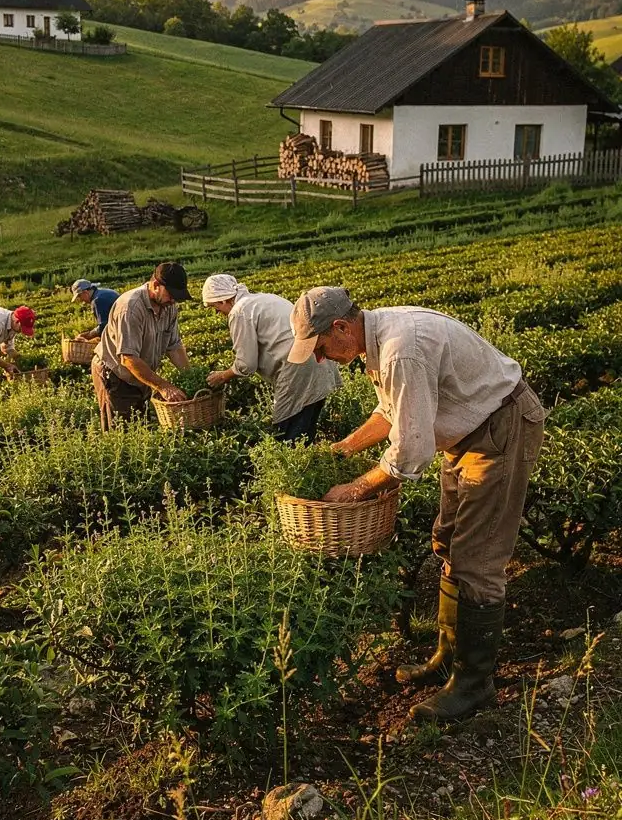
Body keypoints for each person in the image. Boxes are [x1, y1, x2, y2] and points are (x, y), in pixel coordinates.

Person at [288, 287, 546, 724]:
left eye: (321, 347)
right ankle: (448, 657)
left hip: (499, 430)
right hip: (467, 433)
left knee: (477, 558)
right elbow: (390, 412)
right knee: (447, 541)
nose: (319, 358)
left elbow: (411, 450)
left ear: (341, 327)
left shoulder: (400, 350)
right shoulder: (377, 338)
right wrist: (344, 448)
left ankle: (474, 683)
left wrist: (356, 488)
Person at [201, 273, 339, 442]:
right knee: (306, 429)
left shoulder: (239, 312)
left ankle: (297, 459)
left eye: (216, 307)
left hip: (297, 368)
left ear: (223, 300)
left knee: (287, 434)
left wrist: (223, 376)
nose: (218, 313)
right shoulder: (264, 299)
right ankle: (311, 457)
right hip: (318, 359)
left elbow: (246, 364)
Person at [92, 262, 192, 430]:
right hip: (116, 373)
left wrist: (189, 375)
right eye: (171, 294)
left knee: (141, 424)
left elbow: (174, 346)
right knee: (121, 430)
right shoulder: (130, 308)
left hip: (140, 372)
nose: (173, 300)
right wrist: (163, 386)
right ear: (156, 285)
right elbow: (128, 358)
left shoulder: (168, 307)